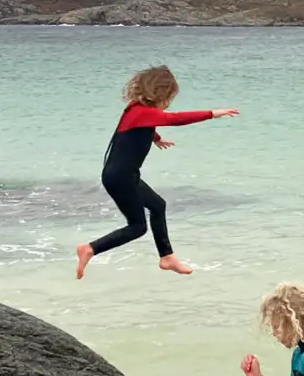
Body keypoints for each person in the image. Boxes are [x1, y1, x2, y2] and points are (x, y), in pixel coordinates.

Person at [76, 64, 238, 278]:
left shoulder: (136, 110)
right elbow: (175, 119)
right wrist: (213, 113)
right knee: (137, 227)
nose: (169, 103)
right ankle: (90, 248)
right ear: (162, 95)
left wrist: (157, 139)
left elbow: (143, 128)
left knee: (157, 205)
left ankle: (167, 257)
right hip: (120, 178)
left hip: (124, 175)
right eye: (170, 97)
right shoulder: (142, 113)